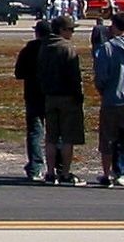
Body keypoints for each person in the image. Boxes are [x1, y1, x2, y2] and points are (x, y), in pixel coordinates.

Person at [37, 15, 87, 185]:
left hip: (49, 96)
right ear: (61, 30)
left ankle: (50, 172)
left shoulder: (44, 47)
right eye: (70, 30)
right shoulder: (67, 48)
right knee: (67, 138)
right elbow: (75, 76)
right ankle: (65, 172)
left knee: (51, 137)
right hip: (67, 96)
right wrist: (78, 95)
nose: (72, 33)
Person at [93, 11, 124, 188]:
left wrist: (103, 90)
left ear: (114, 26)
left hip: (112, 98)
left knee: (108, 140)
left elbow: (101, 76)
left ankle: (107, 175)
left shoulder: (107, 48)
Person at [13, 18, 52, 183]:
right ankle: (55, 167)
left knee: (35, 132)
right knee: (54, 133)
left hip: (33, 94)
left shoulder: (28, 50)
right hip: (52, 94)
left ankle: (36, 168)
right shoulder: (54, 49)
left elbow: (19, 73)